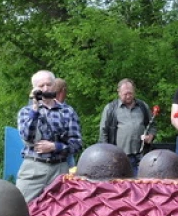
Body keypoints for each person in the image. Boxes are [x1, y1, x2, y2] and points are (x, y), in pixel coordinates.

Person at [15, 70, 83, 203]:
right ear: (34, 89)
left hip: (60, 169)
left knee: (62, 209)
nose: (45, 88)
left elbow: (77, 144)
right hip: (33, 167)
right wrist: (35, 109)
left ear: (54, 86)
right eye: (41, 86)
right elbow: (27, 137)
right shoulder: (26, 112)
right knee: (20, 207)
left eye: (49, 84)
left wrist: (55, 146)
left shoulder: (67, 111)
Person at [98, 79, 156, 174]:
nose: (128, 96)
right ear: (119, 93)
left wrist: (150, 136)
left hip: (142, 155)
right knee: (123, 181)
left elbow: (152, 125)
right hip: (119, 156)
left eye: (130, 93)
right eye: (125, 94)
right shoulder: (111, 109)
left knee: (141, 181)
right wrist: (106, 154)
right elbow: (103, 131)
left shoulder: (142, 106)